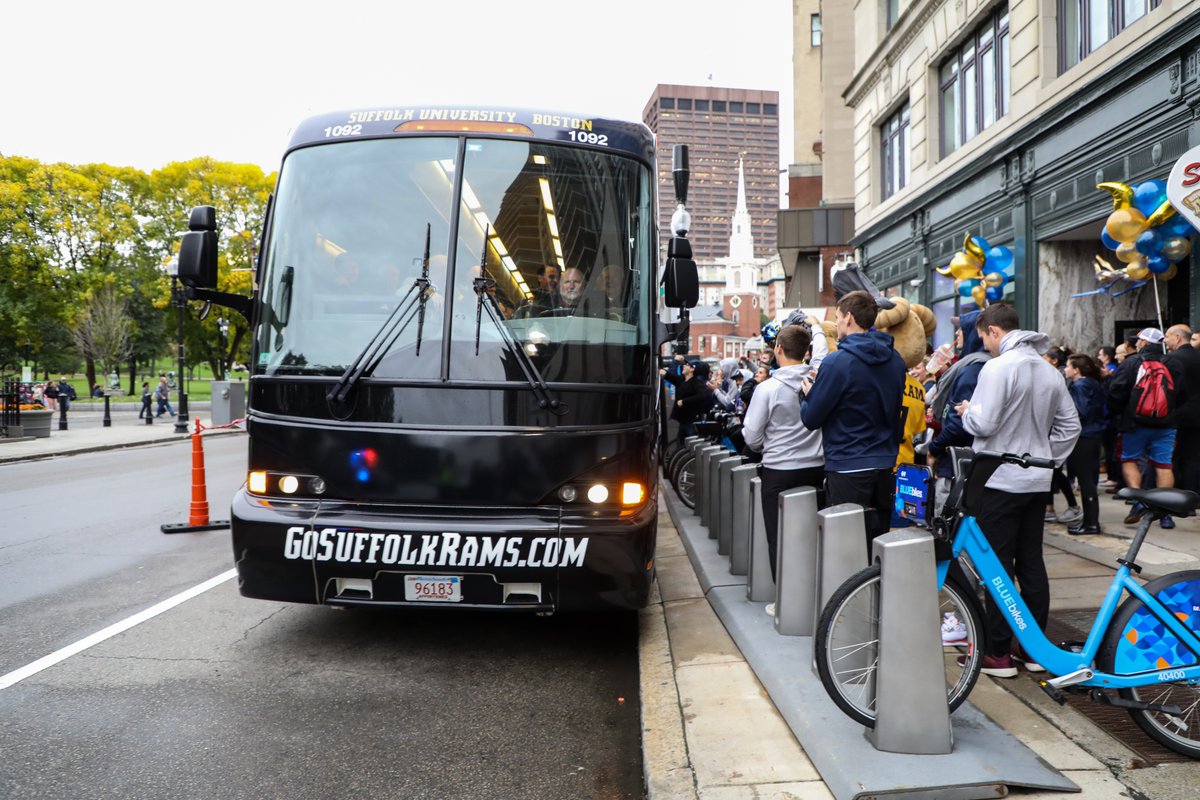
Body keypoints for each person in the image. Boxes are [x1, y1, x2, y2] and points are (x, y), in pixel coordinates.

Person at [956, 303, 1080, 677]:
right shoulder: (1049, 370)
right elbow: (1071, 427)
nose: (985, 345)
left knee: (997, 566)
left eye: (983, 338)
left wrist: (966, 412)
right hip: (1035, 480)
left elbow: (985, 421)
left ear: (994, 331)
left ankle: (997, 652)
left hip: (998, 479)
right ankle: (1033, 649)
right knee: (1031, 563)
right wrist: (1045, 458)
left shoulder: (997, 367)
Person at [799, 290, 907, 548]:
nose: (836, 323)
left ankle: (852, 589)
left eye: (837, 317)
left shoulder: (838, 362)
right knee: (879, 543)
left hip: (848, 463)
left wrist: (808, 395)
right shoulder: (895, 360)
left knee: (845, 546)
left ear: (848, 317)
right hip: (884, 463)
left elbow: (811, 418)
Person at [742, 324, 826, 616]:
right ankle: (815, 597)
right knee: (812, 536)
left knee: (778, 538)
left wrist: (769, 444)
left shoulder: (767, 388)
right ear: (806, 352)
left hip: (779, 470)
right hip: (816, 468)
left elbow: (751, 436)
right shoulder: (819, 382)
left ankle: (786, 602)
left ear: (778, 348)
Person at [1108, 327, 1183, 528]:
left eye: (1139, 340)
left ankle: (1140, 501)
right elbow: (1179, 394)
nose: (1137, 343)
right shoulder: (1173, 363)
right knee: (1164, 465)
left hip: (1134, 424)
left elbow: (1116, 392)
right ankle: (1164, 512)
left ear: (1145, 343)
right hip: (1166, 424)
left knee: (1129, 459)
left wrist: (1119, 412)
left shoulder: (1131, 363)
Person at [925, 310, 990, 516]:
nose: (957, 334)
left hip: (957, 464)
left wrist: (934, 448)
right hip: (966, 461)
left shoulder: (972, 369)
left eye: (961, 329)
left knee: (949, 527)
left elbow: (958, 423)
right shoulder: (976, 365)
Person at [1063, 354, 1107, 535]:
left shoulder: (1080, 386)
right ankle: (1090, 521)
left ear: (1076, 370)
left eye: (1068, 366)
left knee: (1086, 480)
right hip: (1093, 434)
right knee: (1089, 479)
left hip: (1084, 436)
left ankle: (1091, 523)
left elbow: (1080, 411)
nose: (1065, 369)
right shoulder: (1093, 383)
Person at [1165, 324, 1200, 494]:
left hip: (1177, 414)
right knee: (1193, 456)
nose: (1165, 340)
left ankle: (1177, 496)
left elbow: (1168, 390)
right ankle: (1192, 495)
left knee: (1174, 457)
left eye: (1167, 336)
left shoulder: (1171, 359)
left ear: (1177, 338)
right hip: (1196, 414)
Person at [660, 356, 714, 443]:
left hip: (691, 422)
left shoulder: (697, 383)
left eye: (687, 365)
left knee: (692, 445)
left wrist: (684, 401)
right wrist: (665, 372)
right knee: (681, 445)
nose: (684, 366)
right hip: (683, 421)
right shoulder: (682, 380)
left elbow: (701, 395)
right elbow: (671, 376)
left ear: (692, 369)